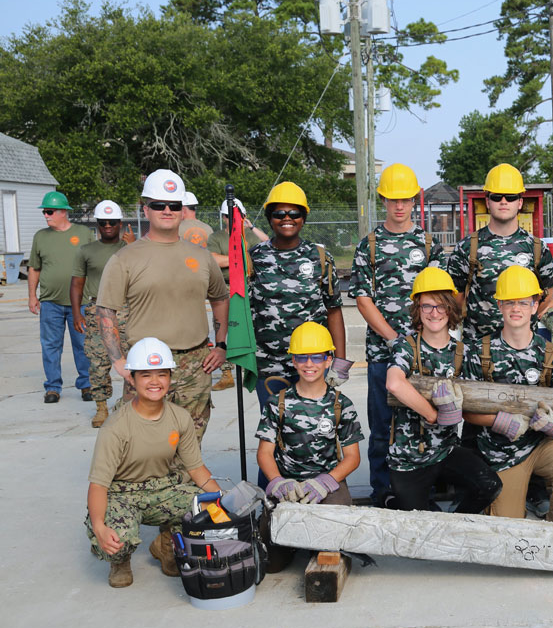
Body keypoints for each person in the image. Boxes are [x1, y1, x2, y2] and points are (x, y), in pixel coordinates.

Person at [96, 169, 229, 444]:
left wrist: (221, 344)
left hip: (196, 364)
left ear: (182, 210)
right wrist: (118, 361)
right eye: (159, 205)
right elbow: (105, 310)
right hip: (146, 366)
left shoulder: (202, 257)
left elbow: (219, 298)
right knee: (144, 442)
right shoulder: (125, 259)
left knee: (190, 443)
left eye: (174, 205)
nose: (167, 210)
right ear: (146, 210)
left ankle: (185, 488)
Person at [84, 337, 222, 588]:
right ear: (132, 379)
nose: (155, 382)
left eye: (162, 374)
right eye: (146, 375)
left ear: (170, 378)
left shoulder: (180, 418)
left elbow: (197, 470)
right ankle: (120, 562)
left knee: (205, 510)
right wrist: (99, 526)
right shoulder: (115, 427)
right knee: (115, 540)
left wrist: (222, 502)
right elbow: (99, 486)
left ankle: (167, 547)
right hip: (122, 492)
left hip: (163, 488)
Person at [349, 163, 445, 509]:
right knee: (383, 429)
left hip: (427, 353)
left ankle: (426, 490)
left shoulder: (429, 244)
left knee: (428, 423)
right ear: (383, 201)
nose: (399, 206)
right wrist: (393, 338)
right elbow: (362, 298)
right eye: (392, 200)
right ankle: (383, 491)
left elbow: (441, 297)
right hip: (383, 354)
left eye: (405, 199)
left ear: (414, 200)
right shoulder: (370, 246)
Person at [462, 266, 553, 522]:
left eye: (523, 302)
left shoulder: (550, 352)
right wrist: (498, 421)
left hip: (540, 445)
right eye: (509, 302)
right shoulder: (480, 352)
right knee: (508, 525)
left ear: (535, 305)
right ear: (499, 306)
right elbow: (467, 411)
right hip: (500, 452)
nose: (515, 308)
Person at [385, 267, 502, 513]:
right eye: (427, 306)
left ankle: (453, 522)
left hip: (445, 450)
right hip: (409, 458)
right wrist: (432, 414)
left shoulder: (462, 352)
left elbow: (471, 404)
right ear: (418, 309)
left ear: (450, 309)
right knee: (420, 527)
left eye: (441, 306)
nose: (434, 313)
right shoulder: (406, 347)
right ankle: (399, 502)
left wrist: (502, 420)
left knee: (490, 485)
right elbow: (394, 383)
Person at [255, 322, 363, 571]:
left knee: (331, 541)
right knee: (272, 563)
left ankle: (316, 537)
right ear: (293, 360)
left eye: (317, 357)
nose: (309, 364)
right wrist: (277, 482)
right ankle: (293, 540)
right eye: (302, 357)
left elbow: (352, 457)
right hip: (288, 486)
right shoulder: (277, 403)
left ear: (328, 360)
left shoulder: (340, 404)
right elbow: (264, 453)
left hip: (327, 485)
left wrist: (325, 481)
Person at [249, 181, 348, 414]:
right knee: (277, 427)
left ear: (303, 217)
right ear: (269, 218)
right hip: (269, 363)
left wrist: (340, 363)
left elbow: (333, 309)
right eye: (279, 213)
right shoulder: (254, 258)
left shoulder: (320, 257)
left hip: (312, 361)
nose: (287, 218)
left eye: (294, 213)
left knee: (313, 427)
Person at [445, 163, 553, 346]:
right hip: (478, 350)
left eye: (511, 197)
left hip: (524, 352)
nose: (504, 201)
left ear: (520, 202)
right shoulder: (467, 248)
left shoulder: (537, 248)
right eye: (497, 197)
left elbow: (547, 295)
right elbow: (455, 298)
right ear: (488, 202)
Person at [27, 190, 93, 403]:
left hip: (80, 304)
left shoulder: (84, 234)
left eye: (49, 211)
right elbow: (34, 269)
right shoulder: (40, 237)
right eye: (44, 212)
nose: (45, 215)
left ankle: (86, 385)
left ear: (63, 212)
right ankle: (53, 387)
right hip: (50, 303)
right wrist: (32, 296)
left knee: (83, 345)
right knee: (50, 346)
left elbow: (96, 264)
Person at [71, 201, 128, 427]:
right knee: (98, 362)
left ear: (119, 224)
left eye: (112, 222)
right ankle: (101, 407)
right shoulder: (85, 251)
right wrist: (77, 313)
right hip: (97, 309)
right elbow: (76, 284)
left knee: (132, 360)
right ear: (97, 224)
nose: (107, 226)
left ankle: (128, 404)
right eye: (103, 222)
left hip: (126, 309)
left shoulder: (130, 248)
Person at [207, 197, 270, 392]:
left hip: (248, 287)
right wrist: (242, 258)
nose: (232, 220)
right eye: (228, 216)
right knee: (223, 329)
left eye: (237, 216)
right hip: (224, 288)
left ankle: (249, 363)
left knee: (250, 328)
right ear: (223, 217)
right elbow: (213, 260)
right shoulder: (216, 238)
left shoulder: (249, 237)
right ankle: (226, 372)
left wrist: (251, 228)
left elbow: (267, 246)